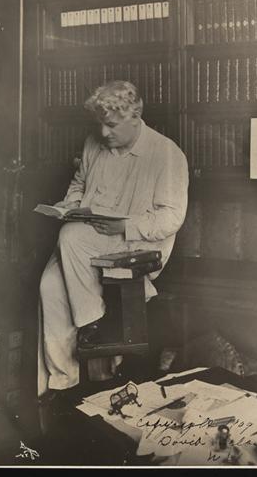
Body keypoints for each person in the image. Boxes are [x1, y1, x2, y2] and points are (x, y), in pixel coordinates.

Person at [38, 80, 189, 407]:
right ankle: (63, 382)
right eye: (100, 125)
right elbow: (78, 184)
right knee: (49, 285)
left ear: (136, 116)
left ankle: (93, 325)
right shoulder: (94, 144)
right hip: (86, 239)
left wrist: (125, 225)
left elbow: (172, 217)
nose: (104, 133)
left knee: (70, 236)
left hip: (135, 244)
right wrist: (70, 204)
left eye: (112, 125)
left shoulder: (166, 154)